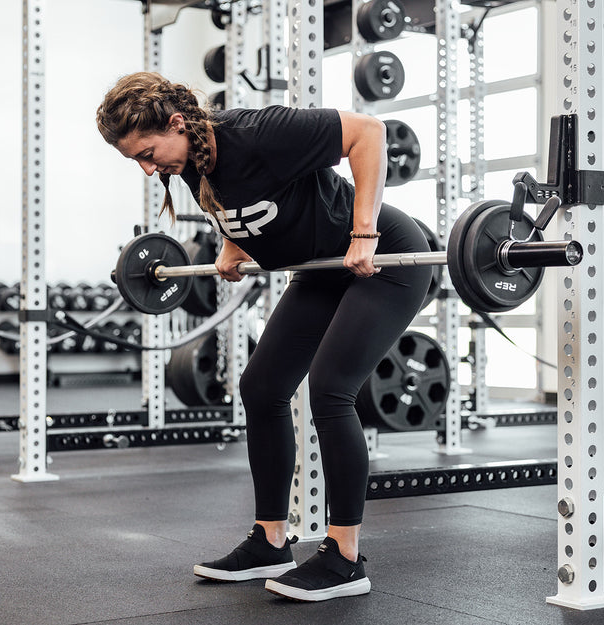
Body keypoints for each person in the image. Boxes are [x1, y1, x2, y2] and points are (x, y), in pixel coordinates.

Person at [97, 72, 431, 602]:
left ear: (177, 123)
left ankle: (345, 556)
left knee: (330, 388)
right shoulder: (189, 159)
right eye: (136, 160)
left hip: (383, 257)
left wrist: (364, 229)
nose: (147, 167)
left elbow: (367, 131)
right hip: (321, 268)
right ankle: (271, 539)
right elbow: (242, 204)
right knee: (262, 388)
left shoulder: (255, 132)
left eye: (147, 152)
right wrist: (232, 244)